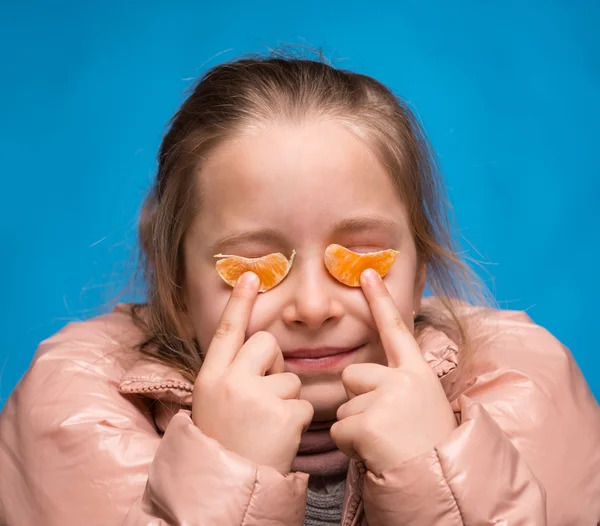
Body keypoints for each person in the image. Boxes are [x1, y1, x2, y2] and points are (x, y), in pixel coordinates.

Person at [1, 52, 599, 526]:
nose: (312, 307)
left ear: (420, 275)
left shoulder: (529, 402)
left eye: (363, 256)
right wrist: (227, 475)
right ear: (177, 292)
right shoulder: (80, 424)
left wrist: (436, 477)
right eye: (253, 269)